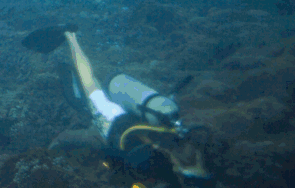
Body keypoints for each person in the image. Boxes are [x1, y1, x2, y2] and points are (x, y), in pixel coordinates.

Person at [22, 25, 212, 186]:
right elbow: (108, 155)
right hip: (114, 121)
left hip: (138, 120)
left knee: (91, 87)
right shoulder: (146, 166)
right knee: (89, 84)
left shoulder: (188, 159)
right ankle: (70, 35)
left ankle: (71, 36)